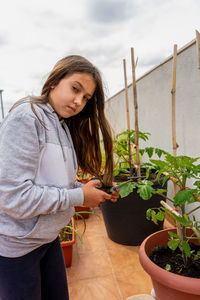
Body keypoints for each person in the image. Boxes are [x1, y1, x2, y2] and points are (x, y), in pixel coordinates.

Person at [0, 55, 119, 300]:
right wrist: (79, 195)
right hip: (17, 249)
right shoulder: (27, 118)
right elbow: (12, 196)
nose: (78, 101)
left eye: (86, 97)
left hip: (47, 239)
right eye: (75, 88)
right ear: (54, 81)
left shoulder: (62, 125)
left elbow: (53, 184)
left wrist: (90, 189)